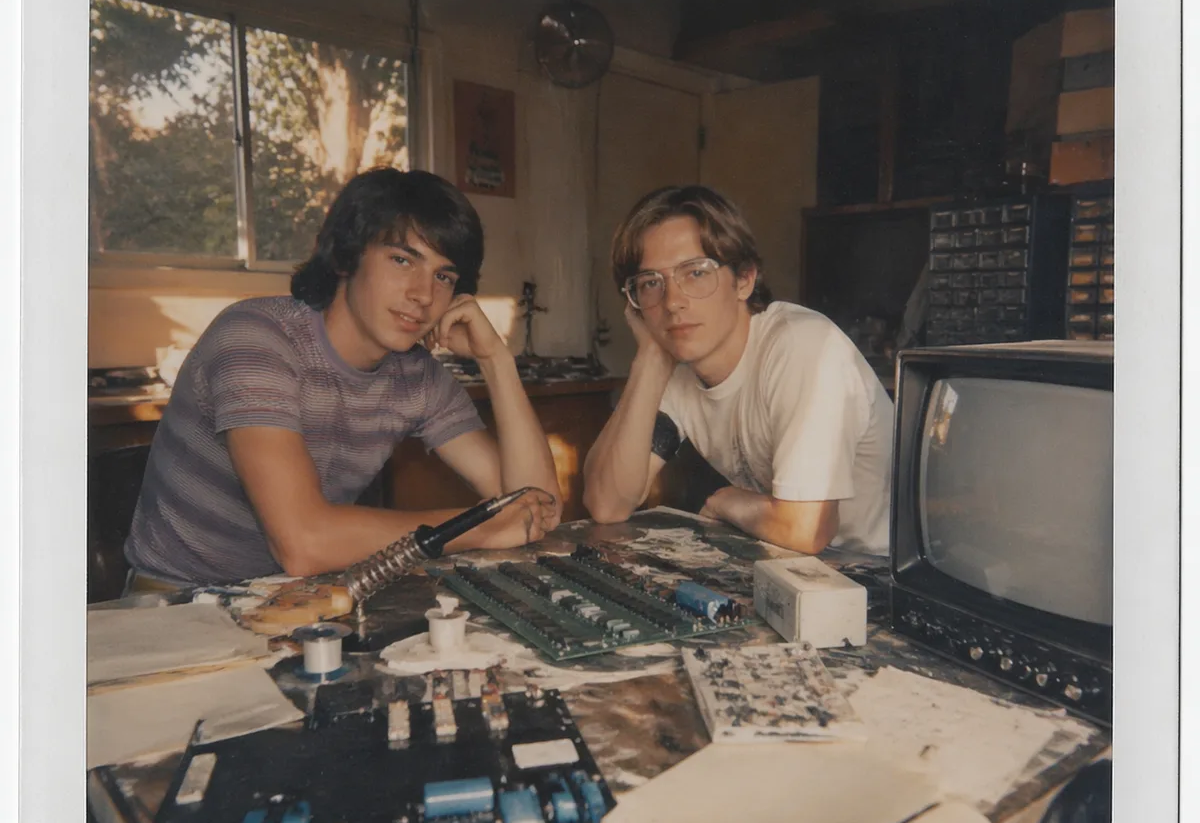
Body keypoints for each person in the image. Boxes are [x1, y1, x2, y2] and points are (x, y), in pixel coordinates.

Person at [124, 168, 559, 589]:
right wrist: (478, 530)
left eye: (443, 276)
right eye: (402, 260)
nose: (424, 294)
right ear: (347, 257)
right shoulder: (256, 337)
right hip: (177, 603)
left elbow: (534, 507)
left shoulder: (417, 376)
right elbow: (303, 543)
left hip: (296, 600)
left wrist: (496, 359)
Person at [583, 185, 893, 556]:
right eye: (651, 283)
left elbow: (807, 529)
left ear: (744, 279)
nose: (673, 302)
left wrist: (725, 501)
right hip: (795, 568)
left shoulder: (802, 346)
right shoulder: (676, 365)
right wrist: (650, 357)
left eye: (695, 273)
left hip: (878, 575)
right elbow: (607, 504)